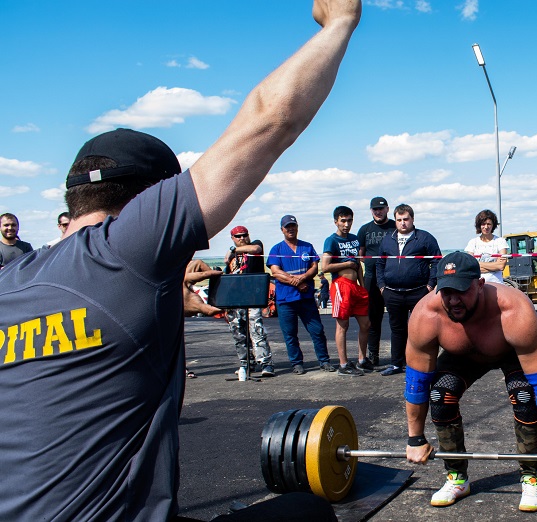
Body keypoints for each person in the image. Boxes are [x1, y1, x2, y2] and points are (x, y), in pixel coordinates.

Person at [0, 1, 361, 518]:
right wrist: (341, 21)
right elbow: (271, 120)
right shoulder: (125, 251)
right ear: (148, 200)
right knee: (302, 512)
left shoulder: (11, 283)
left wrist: (180, 305)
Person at [403, 252, 537, 512]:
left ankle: (530, 476)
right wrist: (415, 439)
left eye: (461, 291)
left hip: (511, 352)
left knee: (524, 396)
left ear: (480, 284)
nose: (453, 300)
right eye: (446, 292)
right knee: (439, 395)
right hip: (463, 355)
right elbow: (416, 385)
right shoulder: (427, 315)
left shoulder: (514, 310)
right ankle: (457, 477)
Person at [376, 203, 441, 376]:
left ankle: (423, 363)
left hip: (418, 292)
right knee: (397, 329)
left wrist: (430, 285)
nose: (403, 223)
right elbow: (380, 263)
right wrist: (382, 286)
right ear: (395, 220)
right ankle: (396, 364)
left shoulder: (425, 238)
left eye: (406, 219)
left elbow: (436, 261)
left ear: (412, 219)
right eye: (399, 220)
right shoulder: (388, 239)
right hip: (392, 292)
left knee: (422, 329)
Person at [268, 215, 333, 375]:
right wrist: (295, 282)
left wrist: (303, 278)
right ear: (282, 229)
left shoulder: (307, 247)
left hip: (306, 298)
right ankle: (296, 363)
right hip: (285, 300)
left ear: (297, 227)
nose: (290, 229)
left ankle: (324, 360)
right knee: (290, 334)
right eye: (287, 227)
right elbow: (276, 272)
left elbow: (314, 267)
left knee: (317, 331)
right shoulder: (276, 249)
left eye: (293, 226)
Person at [321, 205, 371, 376]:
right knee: (343, 324)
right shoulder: (331, 240)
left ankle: (362, 359)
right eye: (343, 221)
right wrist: (347, 264)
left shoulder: (355, 239)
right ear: (336, 221)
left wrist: (363, 286)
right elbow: (325, 266)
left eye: (349, 220)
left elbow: (358, 265)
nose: (346, 224)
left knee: (366, 324)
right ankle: (343, 364)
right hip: (341, 285)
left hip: (356, 286)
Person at [224, 225, 274, 377]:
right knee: (239, 332)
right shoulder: (232, 257)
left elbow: (256, 249)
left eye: (244, 235)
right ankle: (246, 363)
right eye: (237, 236)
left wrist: (233, 250)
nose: (241, 238)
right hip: (236, 299)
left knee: (256, 329)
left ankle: (265, 363)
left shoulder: (254, 245)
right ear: (232, 238)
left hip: (253, 297)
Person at [357, 196, 395, 366]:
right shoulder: (365, 229)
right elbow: (361, 254)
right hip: (371, 278)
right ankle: (373, 355)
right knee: (373, 319)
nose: (378, 212)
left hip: (393, 277)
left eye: (381, 208)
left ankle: (399, 355)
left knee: (397, 318)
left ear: (387, 209)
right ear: (371, 211)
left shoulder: (395, 226)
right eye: (375, 209)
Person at [464, 209, 508, 284]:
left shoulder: (500, 241)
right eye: (483, 224)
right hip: (477, 284)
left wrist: (478, 264)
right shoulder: (472, 242)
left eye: (489, 224)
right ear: (479, 225)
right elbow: (470, 267)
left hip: (496, 284)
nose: (486, 227)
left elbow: (501, 266)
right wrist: (494, 266)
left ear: (493, 225)